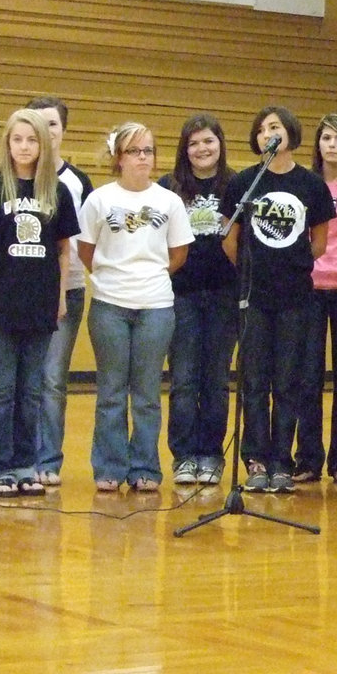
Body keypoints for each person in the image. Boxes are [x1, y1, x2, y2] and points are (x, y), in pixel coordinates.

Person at [0, 109, 79, 497]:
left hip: (42, 303)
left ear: (42, 144)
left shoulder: (56, 191)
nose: (25, 146)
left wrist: (60, 297)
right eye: (17, 139)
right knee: (3, 389)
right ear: (8, 144)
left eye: (32, 140)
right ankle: (0, 467)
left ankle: (27, 465)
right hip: (3, 303)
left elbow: (63, 250)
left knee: (32, 390)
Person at [220, 106, 335, 494]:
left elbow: (319, 242)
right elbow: (229, 239)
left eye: (276, 126)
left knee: (289, 381)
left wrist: (291, 264)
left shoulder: (310, 185)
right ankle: (255, 459)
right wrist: (253, 270)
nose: (268, 132)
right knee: (253, 379)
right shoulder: (245, 183)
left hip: (295, 297)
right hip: (254, 298)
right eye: (263, 128)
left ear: (291, 133)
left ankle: (283, 461)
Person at [78, 122, 194, 493]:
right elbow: (86, 250)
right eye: (135, 151)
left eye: (149, 150)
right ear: (119, 158)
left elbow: (178, 253)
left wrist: (148, 276)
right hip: (109, 305)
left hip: (156, 306)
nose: (144, 157)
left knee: (146, 392)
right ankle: (109, 466)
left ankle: (145, 466)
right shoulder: (99, 200)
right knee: (111, 390)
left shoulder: (169, 201)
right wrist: (116, 275)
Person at [159, 114, 238, 486]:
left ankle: (211, 455)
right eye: (193, 143)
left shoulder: (238, 185)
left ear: (220, 144)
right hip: (182, 294)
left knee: (216, 379)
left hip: (224, 293)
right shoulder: (168, 188)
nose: (202, 149)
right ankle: (184, 456)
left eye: (208, 141)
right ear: (184, 150)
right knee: (185, 377)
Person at [295, 113, 337, 487]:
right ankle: (307, 458)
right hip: (311, 287)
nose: (332, 144)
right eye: (325, 138)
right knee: (308, 376)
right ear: (317, 144)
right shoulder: (306, 186)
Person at [27, 96, 92, 488]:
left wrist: (65, 292)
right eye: (38, 124)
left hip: (66, 290)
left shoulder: (77, 181)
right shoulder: (10, 177)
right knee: (22, 379)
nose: (45, 131)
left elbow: (79, 243)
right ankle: (19, 457)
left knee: (52, 379)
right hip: (23, 293)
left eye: (52, 124)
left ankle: (47, 459)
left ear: (63, 130)